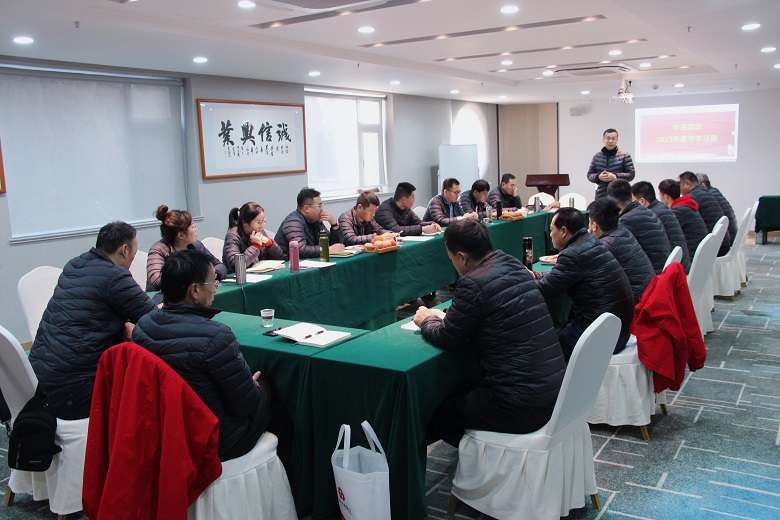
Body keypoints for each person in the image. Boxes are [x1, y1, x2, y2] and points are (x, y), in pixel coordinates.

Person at [132, 249, 293, 468]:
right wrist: (255, 386)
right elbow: (246, 405)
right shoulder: (216, 336)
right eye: (212, 284)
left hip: (163, 430)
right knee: (272, 399)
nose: (215, 290)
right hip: (214, 440)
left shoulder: (143, 326)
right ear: (195, 290)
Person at [413, 219, 565, 447]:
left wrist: (427, 319)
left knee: (441, 418)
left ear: (462, 257)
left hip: (519, 405)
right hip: (554, 392)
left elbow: (447, 337)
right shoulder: (513, 264)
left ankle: (486, 458)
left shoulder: (472, 283)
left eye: (451, 258)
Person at [29, 221, 157, 420]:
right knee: (151, 388)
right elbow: (154, 320)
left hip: (39, 381)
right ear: (124, 250)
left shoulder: (74, 265)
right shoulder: (115, 276)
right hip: (73, 392)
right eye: (134, 252)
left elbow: (90, 312)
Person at [534, 208, 634, 361]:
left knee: (548, 352)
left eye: (552, 230)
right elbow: (561, 275)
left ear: (563, 231)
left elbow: (545, 289)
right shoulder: (590, 241)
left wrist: (521, 278)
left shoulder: (573, 254)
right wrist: (536, 275)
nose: (550, 234)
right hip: (619, 329)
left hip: (602, 336)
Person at [588, 199, 655, 305]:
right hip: (647, 293)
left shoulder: (606, 245)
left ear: (594, 226)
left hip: (635, 302)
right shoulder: (623, 231)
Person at [146, 205, 226, 291]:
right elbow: (157, 281)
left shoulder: (196, 245)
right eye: (192, 226)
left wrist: (214, 273)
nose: (196, 229)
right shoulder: (158, 250)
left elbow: (220, 266)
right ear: (181, 235)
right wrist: (196, 277)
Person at [607, 179, 671, 275]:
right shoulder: (646, 211)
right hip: (661, 269)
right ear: (631, 195)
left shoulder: (626, 220)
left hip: (652, 275)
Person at [631, 181, 691, 273]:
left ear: (642, 201)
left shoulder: (651, 216)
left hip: (675, 271)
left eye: (633, 201)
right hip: (682, 265)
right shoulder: (662, 207)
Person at [275, 187, 345, 259]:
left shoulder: (316, 221)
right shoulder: (293, 222)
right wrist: (327, 249)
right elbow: (300, 250)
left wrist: (334, 225)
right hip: (288, 263)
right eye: (319, 206)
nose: (322, 209)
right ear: (306, 208)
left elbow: (335, 245)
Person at [679, 171, 731, 256]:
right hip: (722, 241)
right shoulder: (704, 192)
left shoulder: (693, 197)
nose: (679, 190)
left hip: (715, 246)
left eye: (680, 185)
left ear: (688, 184)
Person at [223, 201, 284, 272]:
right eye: (258, 222)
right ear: (245, 222)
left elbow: (281, 257)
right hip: (237, 276)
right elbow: (236, 266)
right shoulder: (233, 235)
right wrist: (255, 246)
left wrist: (270, 243)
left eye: (263, 221)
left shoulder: (259, 231)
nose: (261, 226)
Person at [658, 179, 709, 258]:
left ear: (666, 197)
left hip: (692, 255)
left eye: (660, 195)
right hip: (701, 253)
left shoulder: (677, 212)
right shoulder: (686, 205)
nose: (660, 199)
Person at [375, 182, 441, 236]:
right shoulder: (384, 209)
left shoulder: (406, 208)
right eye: (412, 197)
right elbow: (395, 229)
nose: (414, 200)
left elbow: (418, 222)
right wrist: (422, 229)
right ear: (404, 199)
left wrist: (432, 224)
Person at [587, 128, 636, 200]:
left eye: (613, 139)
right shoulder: (597, 156)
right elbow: (589, 175)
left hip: (620, 197)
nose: (610, 141)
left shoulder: (625, 155)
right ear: (603, 139)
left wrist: (615, 177)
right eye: (608, 138)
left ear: (617, 140)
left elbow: (631, 174)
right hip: (601, 196)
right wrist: (598, 177)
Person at [698, 173, 738, 249]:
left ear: (703, 185)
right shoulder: (715, 192)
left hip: (723, 241)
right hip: (729, 236)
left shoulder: (709, 196)